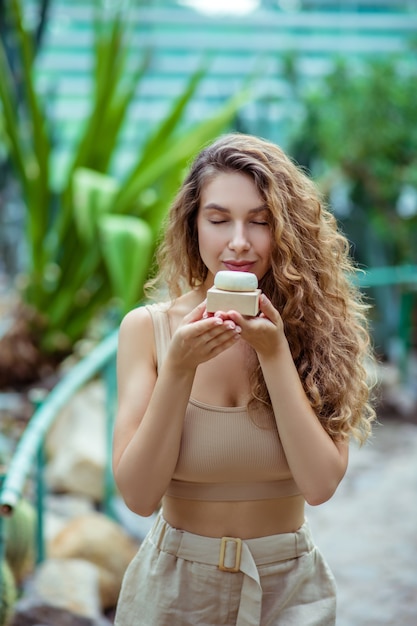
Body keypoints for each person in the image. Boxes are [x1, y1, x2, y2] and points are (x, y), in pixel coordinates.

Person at [112, 133, 376, 626]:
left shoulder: (320, 331)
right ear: (193, 227)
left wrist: (275, 354)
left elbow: (320, 485)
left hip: (288, 590)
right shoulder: (149, 330)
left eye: (260, 222)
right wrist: (178, 369)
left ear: (288, 231)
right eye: (218, 220)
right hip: (173, 591)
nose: (238, 241)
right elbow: (138, 497)